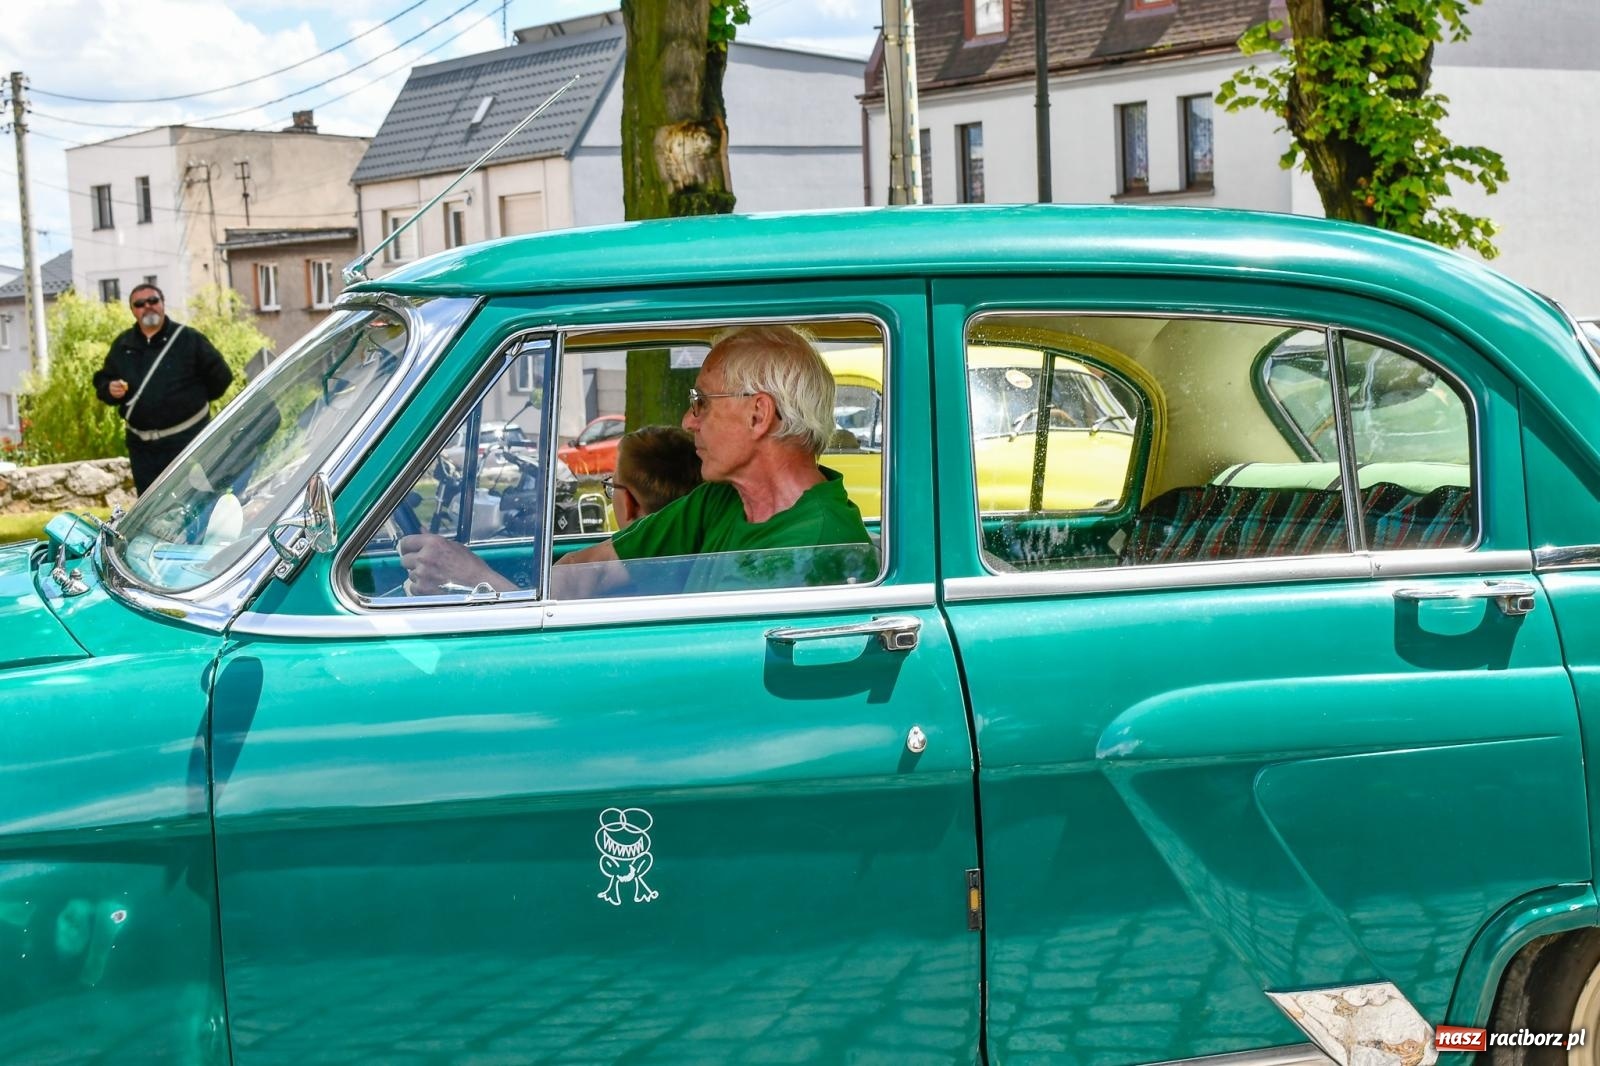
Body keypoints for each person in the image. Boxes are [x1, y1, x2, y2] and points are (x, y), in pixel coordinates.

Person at [556, 324, 873, 593]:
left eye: (701, 402)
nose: (687, 421)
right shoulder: (718, 500)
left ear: (757, 415)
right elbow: (592, 569)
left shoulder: (815, 544)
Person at [397, 424, 701, 594]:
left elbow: (575, 582)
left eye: (612, 486)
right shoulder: (697, 545)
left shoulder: (642, 573)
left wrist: (473, 576)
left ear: (630, 501)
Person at [93, 284, 234, 494]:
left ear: (163, 303)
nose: (148, 307)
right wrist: (109, 389)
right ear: (133, 310)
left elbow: (221, 377)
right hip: (143, 448)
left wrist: (190, 401)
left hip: (188, 441)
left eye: (153, 301)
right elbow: (103, 380)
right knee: (151, 508)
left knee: (198, 502)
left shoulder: (189, 339)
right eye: (140, 304)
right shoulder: (122, 345)